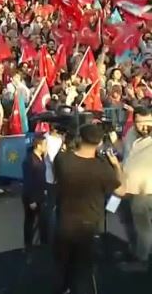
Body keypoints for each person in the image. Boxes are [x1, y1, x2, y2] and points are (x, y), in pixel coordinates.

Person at [53, 124, 124, 294]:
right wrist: (116, 166)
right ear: (99, 143)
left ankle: (64, 288)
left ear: (80, 138)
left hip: (64, 222)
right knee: (84, 268)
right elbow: (121, 191)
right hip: (89, 224)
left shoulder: (63, 160)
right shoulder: (102, 168)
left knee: (64, 264)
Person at [117, 107, 152, 272]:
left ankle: (142, 259)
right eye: (139, 122)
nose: (144, 126)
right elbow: (126, 155)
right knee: (127, 220)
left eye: (148, 122)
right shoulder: (131, 133)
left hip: (145, 190)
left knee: (142, 225)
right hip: (126, 187)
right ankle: (134, 249)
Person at [22, 134, 48, 253]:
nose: (46, 147)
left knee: (43, 220)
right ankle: (28, 244)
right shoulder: (29, 160)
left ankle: (43, 243)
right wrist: (31, 200)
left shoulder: (41, 158)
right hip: (31, 196)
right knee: (30, 221)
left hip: (40, 194)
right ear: (38, 145)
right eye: (45, 145)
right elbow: (28, 181)